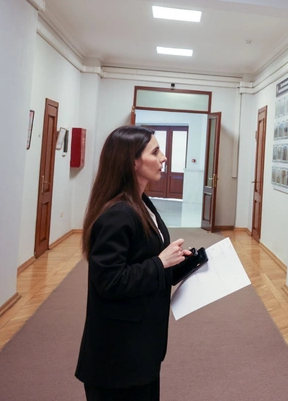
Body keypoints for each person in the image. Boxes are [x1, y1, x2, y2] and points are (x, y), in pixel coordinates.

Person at [76, 126, 193, 401]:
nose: (164, 157)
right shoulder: (118, 213)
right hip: (118, 356)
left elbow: (143, 261)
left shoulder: (142, 203)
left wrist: (182, 263)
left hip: (141, 347)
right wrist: (160, 263)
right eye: (155, 152)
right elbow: (109, 281)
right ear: (132, 162)